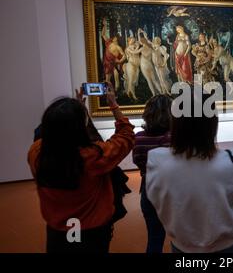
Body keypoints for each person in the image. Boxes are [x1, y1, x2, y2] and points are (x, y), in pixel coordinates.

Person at [146, 89, 233, 253]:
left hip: (182, 249)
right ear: (212, 122)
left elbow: (157, 201)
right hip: (230, 247)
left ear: (176, 121)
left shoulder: (157, 162)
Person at [27, 83, 135, 253]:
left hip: (58, 230)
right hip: (91, 232)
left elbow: (56, 137)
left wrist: (77, 113)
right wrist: (113, 104)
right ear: (79, 128)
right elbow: (126, 136)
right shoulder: (92, 157)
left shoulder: (37, 152)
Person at [132, 95, 172, 253]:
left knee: (154, 239)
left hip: (149, 191)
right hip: (174, 192)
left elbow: (137, 161)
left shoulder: (139, 138)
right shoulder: (175, 138)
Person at [102, 18, 126, 91]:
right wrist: (105, 25)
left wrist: (120, 61)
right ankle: (107, 92)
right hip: (108, 63)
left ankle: (116, 90)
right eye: (114, 37)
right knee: (107, 79)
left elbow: (124, 55)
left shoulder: (118, 47)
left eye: (116, 38)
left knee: (116, 76)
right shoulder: (109, 43)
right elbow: (103, 35)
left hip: (114, 63)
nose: (115, 38)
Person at [138, 28, 162, 96]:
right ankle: (161, 93)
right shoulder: (151, 48)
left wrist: (138, 33)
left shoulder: (141, 48)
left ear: (141, 42)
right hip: (150, 65)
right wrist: (142, 32)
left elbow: (134, 52)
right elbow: (146, 39)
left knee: (149, 81)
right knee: (154, 80)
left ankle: (154, 94)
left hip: (144, 65)